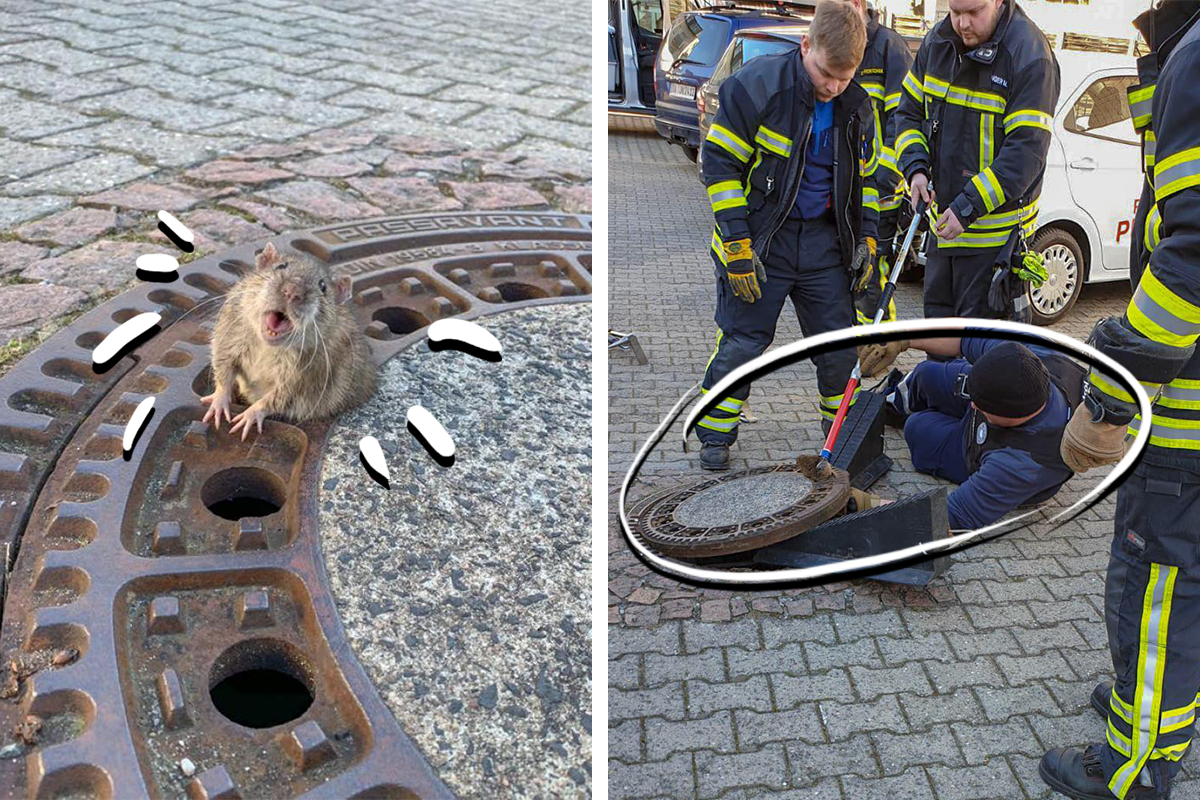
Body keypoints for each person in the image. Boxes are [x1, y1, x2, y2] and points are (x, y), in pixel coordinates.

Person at [1039, 2, 1200, 798]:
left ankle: (1133, 766)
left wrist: (1111, 389)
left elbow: (1192, 251)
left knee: (1156, 586)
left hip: (1186, 404)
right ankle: (1154, 707)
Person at [696, 0, 880, 470]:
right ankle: (714, 437)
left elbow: (870, 182)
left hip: (823, 247)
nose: (833, 86)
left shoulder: (858, 107)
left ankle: (838, 435)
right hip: (762, 242)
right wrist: (736, 243)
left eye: (844, 77)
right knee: (743, 342)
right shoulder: (756, 88)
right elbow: (720, 167)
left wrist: (869, 240)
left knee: (838, 347)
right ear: (805, 46)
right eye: (825, 73)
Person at [893, 0, 1060, 319]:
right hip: (943, 235)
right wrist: (915, 170)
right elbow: (908, 113)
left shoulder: (1029, 54)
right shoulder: (937, 42)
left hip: (994, 245)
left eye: (973, 12)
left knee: (980, 357)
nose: (962, 24)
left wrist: (966, 207)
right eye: (955, 12)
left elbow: (1026, 153)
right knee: (939, 348)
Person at [863, 337, 1076, 530]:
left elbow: (948, 517)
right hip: (998, 403)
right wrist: (903, 339)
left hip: (979, 449)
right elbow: (966, 336)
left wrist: (866, 506)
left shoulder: (1023, 464)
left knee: (918, 428)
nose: (973, 405)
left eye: (980, 404)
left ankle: (920, 415)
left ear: (1009, 416)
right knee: (926, 374)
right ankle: (891, 404)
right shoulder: (1027, 358)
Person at [846, 0, 914, 324]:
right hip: (846, 195)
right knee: (850, 281)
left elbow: (903, 122)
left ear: (858, 4)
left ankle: (879, 350)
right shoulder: (840, 42)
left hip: (881, 194)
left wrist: (882, 179)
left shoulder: (889, 48)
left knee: (873, 280)